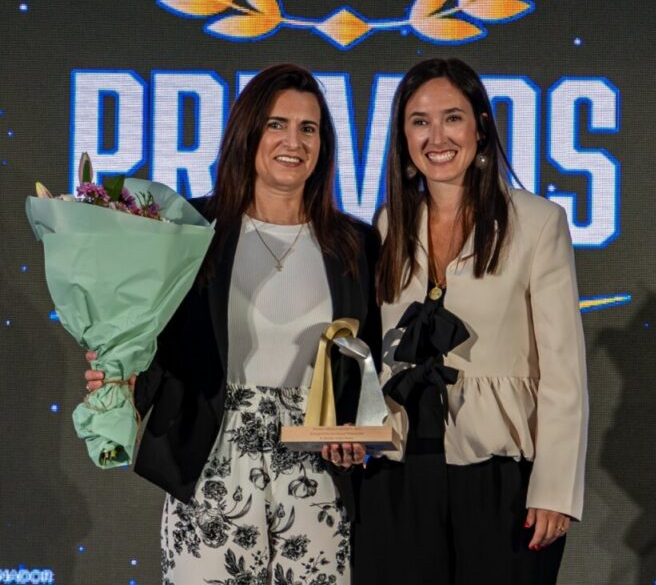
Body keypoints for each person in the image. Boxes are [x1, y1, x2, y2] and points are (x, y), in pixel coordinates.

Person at [85, 63, 380, 585]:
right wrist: (123, 379)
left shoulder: (355, 244)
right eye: (276, 124)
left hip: (314, 469)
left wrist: (356, 435)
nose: (294, 141)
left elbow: (366, 361)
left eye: (308, 128)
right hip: (212, 460)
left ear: (324, 144)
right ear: (247, 133)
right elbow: (159, 338)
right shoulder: (192, 231)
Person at [352, 57, 588, 585]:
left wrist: (555, 489)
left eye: (452, 118)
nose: (436, 137)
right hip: (399, 474)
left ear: (480, 127)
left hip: (500, 479)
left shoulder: (537, 223)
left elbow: (564, 371)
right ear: (404, 138)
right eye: (419, 121)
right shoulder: (389, 224)